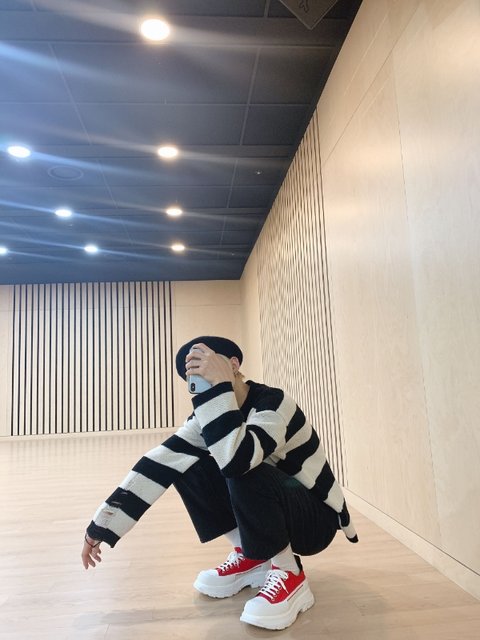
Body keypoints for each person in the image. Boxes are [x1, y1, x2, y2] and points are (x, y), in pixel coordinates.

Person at [81, 336, 358, 630]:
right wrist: (100, 527)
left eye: (206, 364)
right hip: (274, 511)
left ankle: (290, 574)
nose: (200, 373)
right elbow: (158, 464)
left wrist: (219, 389)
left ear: (233, 365)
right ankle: (253, 556)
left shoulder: (273, 404)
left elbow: (238, 460)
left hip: (314, 520)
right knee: (185, 462)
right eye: (193, 373)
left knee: (239, 463)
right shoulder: (208, 417)